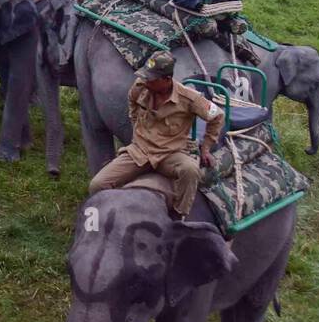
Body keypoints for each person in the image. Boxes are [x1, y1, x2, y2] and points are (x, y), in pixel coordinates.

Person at [86, 50, 224, 220]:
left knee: (190, 170)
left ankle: (178, 216)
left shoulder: (189, 98)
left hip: (171, 153)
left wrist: (206, 148)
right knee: (98, 184)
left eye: (151, 79)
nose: (145, 81)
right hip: (140, 151)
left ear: (166, 80)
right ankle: (108, 217)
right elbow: (132, 104)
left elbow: (217, 116)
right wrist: (137, 128)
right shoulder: (140, 87)